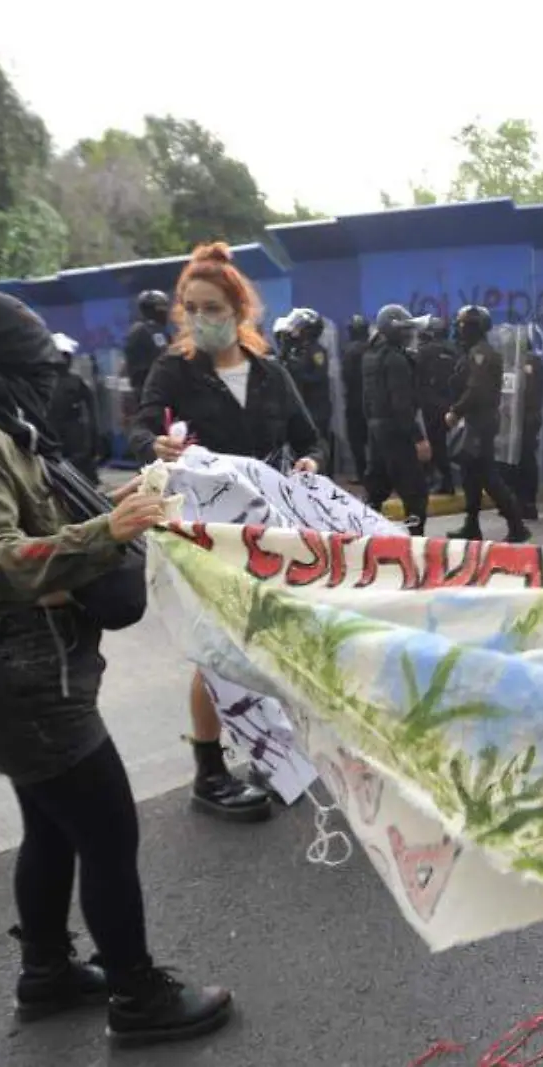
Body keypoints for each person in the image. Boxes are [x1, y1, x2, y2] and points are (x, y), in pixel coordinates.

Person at [0, 286, 232, 1047]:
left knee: (52, 828)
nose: (48, 381)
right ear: (2, 367)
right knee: (109, 827)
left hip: (27, 668)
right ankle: (138, 995)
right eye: (34, 365)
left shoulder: (3, 432)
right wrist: (104, 532)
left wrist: (123, 503)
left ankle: (47, 973)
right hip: (19, 671)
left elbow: (40, 526)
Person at [129, 243, 325, 825]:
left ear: (239, 309)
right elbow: (142, 427)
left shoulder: (270, 374)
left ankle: (273, 749)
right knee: (216, 647)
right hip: (207, 529)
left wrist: (310, 464)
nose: (198, 318)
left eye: (211, 306)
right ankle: (209, 771)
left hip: (268, 528)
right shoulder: (174, 370)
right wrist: (154, 445)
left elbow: (309, 438)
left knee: (273, 639)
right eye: (190, 307)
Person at [445, 305, 531, 542]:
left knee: (488, 477)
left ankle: (517, 525)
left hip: (479, 423)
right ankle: (471, 525)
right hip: (475, 421)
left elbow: (476, 390)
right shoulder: (474, 352)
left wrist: (455, 411)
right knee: (470, 477)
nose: (459, 329)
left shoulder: (481, 354)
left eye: (463, 325)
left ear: (473, 327)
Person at [363, 304, 433, 535]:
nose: (409, 334)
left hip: (376, 430)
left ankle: (364, 537)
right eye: (405, 329)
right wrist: (419, 439)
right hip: (397, 433)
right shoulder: (396, 360)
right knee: (415, 492)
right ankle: (416, 542)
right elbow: (401, 405)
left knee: (375, 489)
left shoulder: (371, 355)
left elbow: (366, 400)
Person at [275, 309, 337, 474]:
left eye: (299, 328)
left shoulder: (317, 351)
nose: (294, 331)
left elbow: (317, 376)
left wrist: (296, 369)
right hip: (303, 406)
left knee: (318, 446)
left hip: (317, 407)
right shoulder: (296, 350)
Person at [46, 336, 104, 483]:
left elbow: (91, 414)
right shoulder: (46, 382)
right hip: (60, 439)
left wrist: (94, 442)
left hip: (73, 441)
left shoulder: (75, 383)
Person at [505, 333, 543, 521]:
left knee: (525, 458)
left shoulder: (530, 363)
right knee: (519, 458)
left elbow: (528, 393)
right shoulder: (523, 363)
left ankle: (527, 502)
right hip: (519, 417)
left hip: (526, 417)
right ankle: (520, 501)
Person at [415, 317, 457, 495]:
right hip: (449, 403)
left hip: (429, 404)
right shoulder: (454, 350)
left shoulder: (424, 351)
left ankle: (441, 481)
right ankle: (444, 480)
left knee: (432, 444)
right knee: (440, 443)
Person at [123, 290, 172, 398]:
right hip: (148, 391)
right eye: (162, 309)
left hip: (165, 389)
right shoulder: (140, 330)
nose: (165, 314)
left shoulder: (163, 331)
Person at [341, 315, 370, 478]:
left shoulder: (350, 350)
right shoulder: (372, 348)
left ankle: (361, 472)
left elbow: (347, 376)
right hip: (371, 400)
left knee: (356, 439)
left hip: (354, 400)